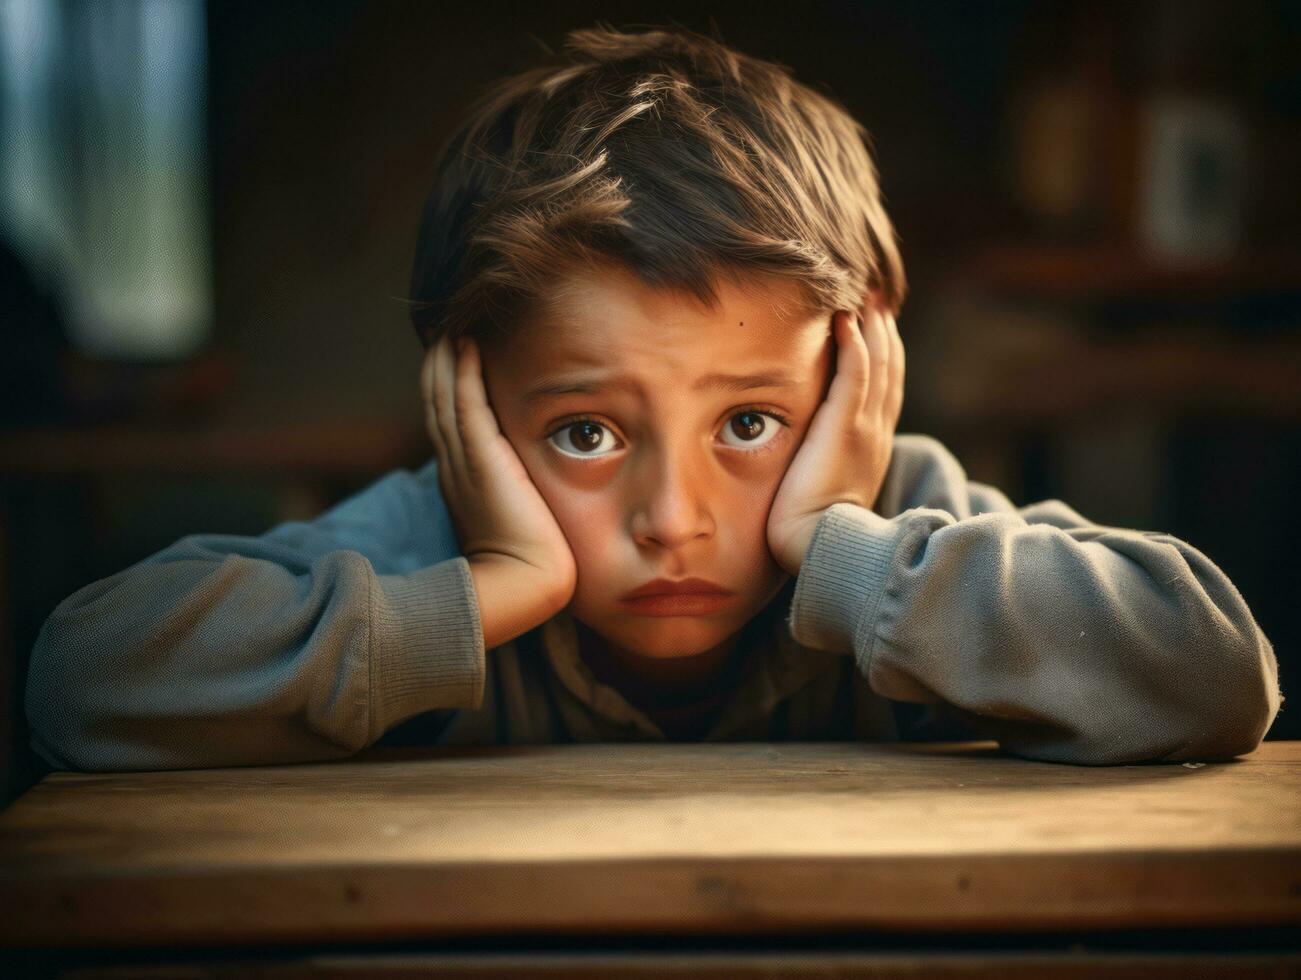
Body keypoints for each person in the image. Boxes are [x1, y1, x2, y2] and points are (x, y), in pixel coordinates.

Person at [25, 25, 1282, 772]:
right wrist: (490, 588)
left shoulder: (899, 524)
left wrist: (839, 553)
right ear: (475, 406)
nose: (670, 514)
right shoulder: (441, 546)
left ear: (852, 382)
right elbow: (79, 677)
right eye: (584, 433)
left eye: (748, 422)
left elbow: (1216, 674)